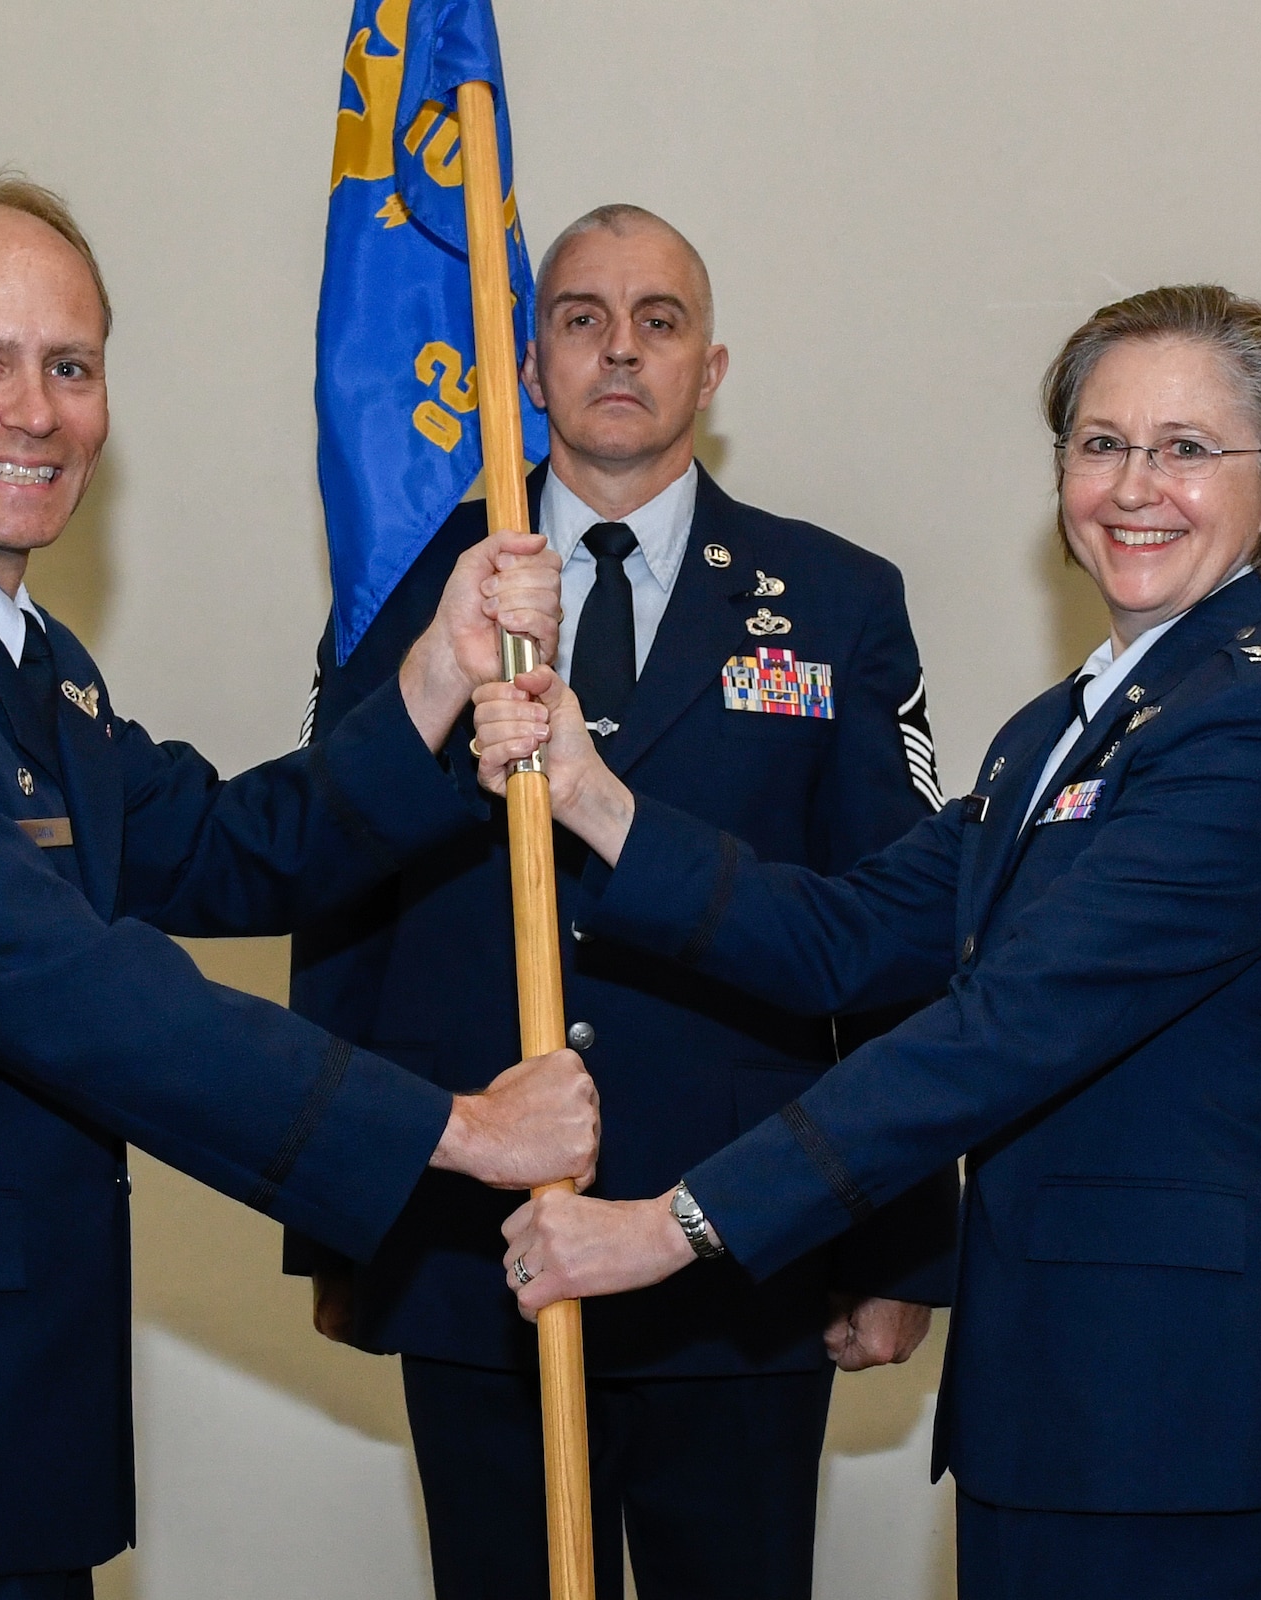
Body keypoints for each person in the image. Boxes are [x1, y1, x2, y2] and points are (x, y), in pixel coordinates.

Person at [0, 173, 598, 1600]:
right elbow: (76, 987)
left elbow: (231, 844)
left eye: (71, 366)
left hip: (9, 1437)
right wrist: (453, 1131)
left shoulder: (27, 665)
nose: (32, 410)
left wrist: (434, 676)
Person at [476, 285, 1261, 1598]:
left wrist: (675, 1227)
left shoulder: (1257, 733)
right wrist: (590, 796)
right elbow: (845, 933)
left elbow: (1005, 1029)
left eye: (1188, 448)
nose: (1134, 487)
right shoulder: (1053, 735)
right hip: (1051, 1403)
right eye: (1099, 443)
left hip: (1194, 1414)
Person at [286, 203, 957, 1600]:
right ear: (527, 365)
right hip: (475, 1240)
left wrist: (902, 1240)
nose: (620, 352)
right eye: (581, 318)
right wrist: (340, 1209)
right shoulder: (415, 583)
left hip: (739, 1250)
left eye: (661, 322)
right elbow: (338, 882)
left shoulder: (834, 601)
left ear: (711, 370)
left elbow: (895, 935)